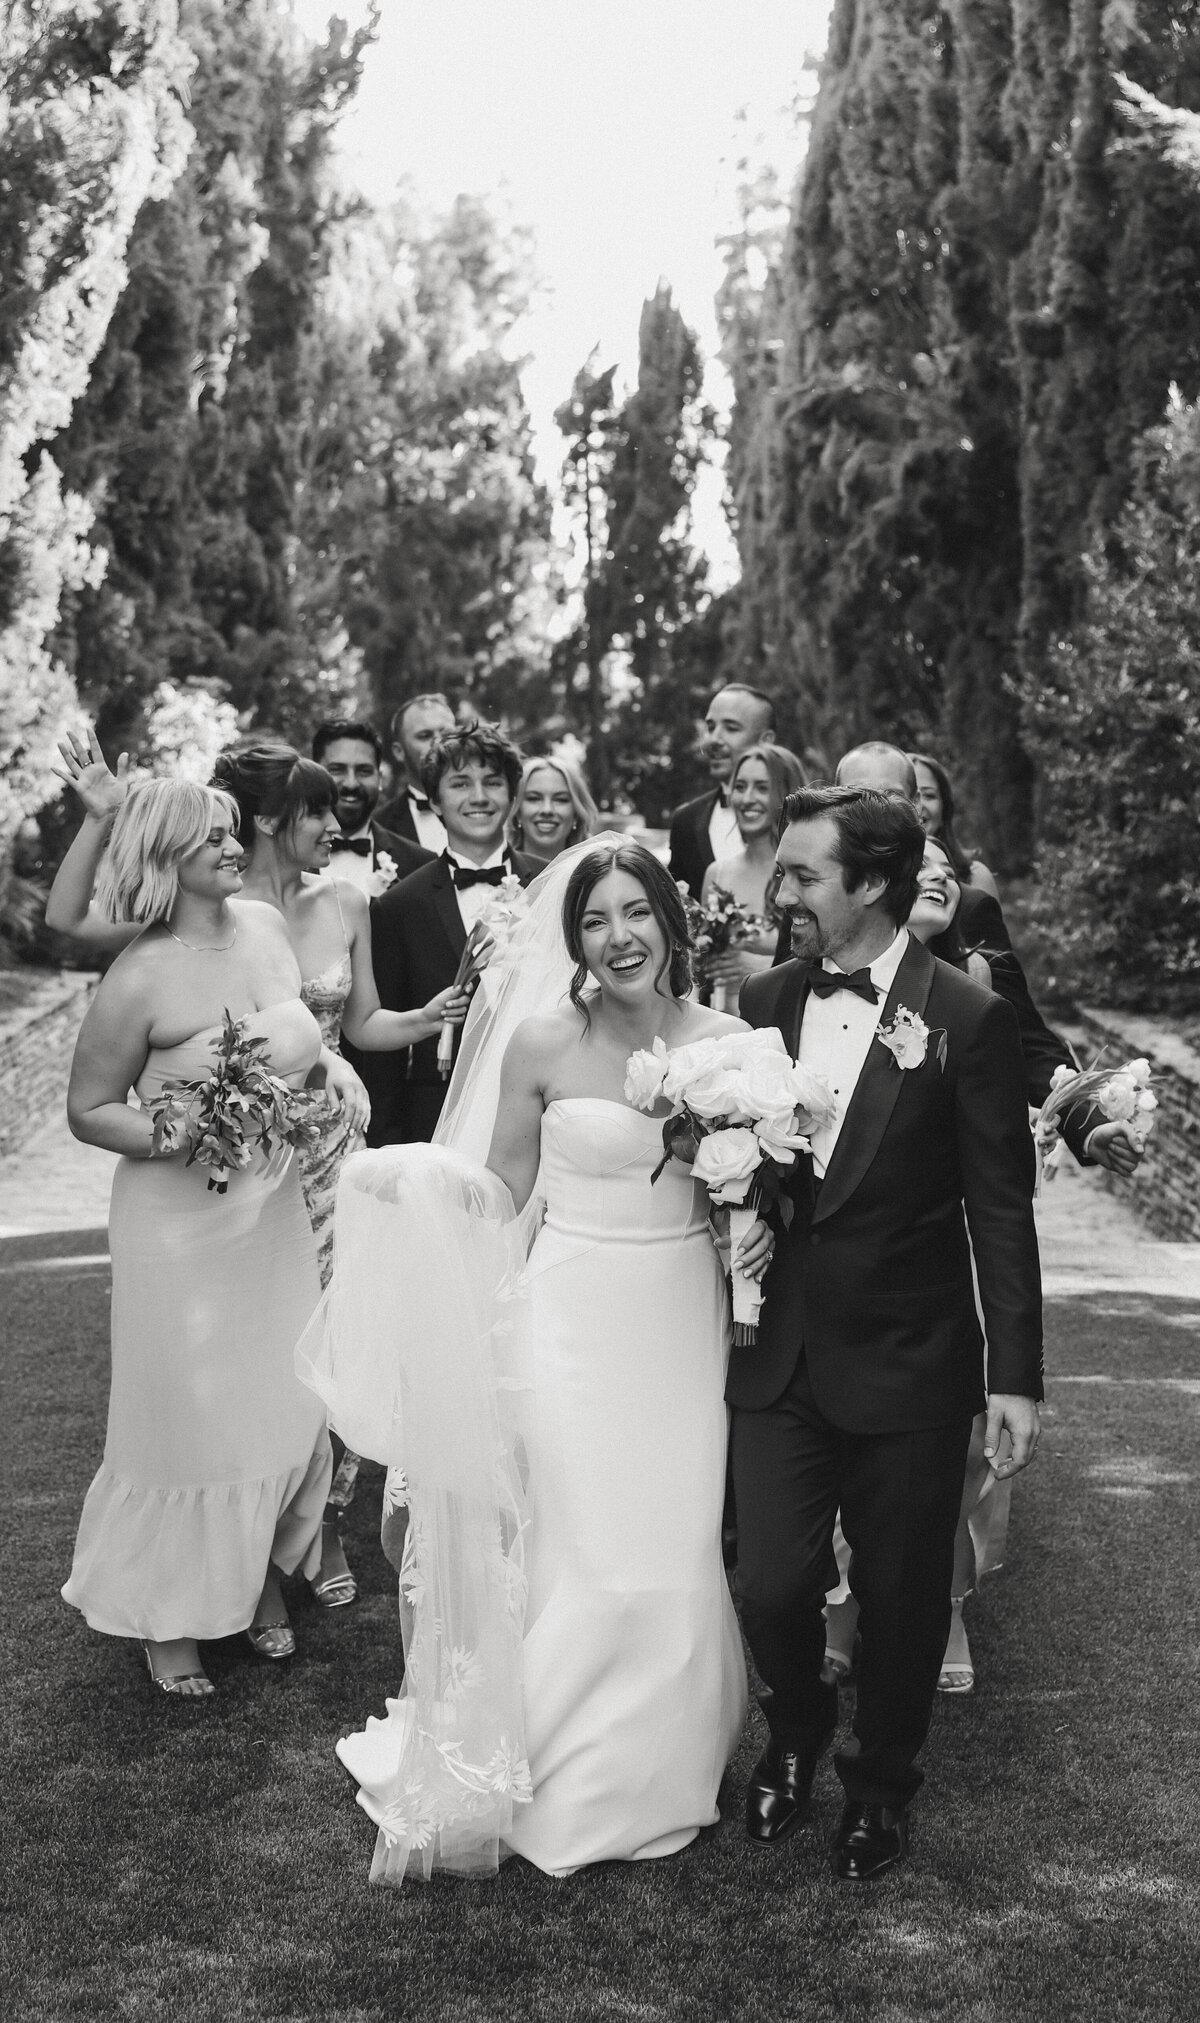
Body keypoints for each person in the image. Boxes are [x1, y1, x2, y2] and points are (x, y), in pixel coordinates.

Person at [309, 838, 754, 1881]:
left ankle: (661, 1767)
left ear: (672, 924)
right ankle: (551, 1766)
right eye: (595, 920)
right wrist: (419, 1183)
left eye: (635, 912)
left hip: (683, 1314)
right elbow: (505, 1187)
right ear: (575, 941)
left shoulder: (734, 1041)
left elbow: (755, 1190)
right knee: (585, 1543)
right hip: (571, 1313)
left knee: (677, 1539)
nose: (618, 938)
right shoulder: (545, 1041)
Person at [731, 785, 1043, 1882]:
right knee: (768, 1580)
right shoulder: (762, 999)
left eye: (804, 874)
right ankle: (799, 1726)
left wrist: (1017, 1376)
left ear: (869, 885)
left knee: (906, 1596)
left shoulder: (965, 1017)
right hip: (774, 1354)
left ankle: (880, 1784)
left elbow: (1000, 1207)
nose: (784, 892)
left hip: (913, 1359)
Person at [60, 779, 367, 1696]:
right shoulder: (141, 973)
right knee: (187, 1419)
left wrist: (332, 1073)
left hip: (266, 1209)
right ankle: (169, 1620)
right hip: (177, 1224)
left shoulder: (267, 930)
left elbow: (299, 1040)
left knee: (285, 1397)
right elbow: (87, 1109)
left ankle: (259, 1579)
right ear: (168, 857)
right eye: (214, 839)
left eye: (235, 832)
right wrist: (175, 1131)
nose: (237, 848)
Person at [819, 835, 1144, 1696]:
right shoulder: (817, 956)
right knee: (851, 1420)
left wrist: (1085, 1121)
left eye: (946, 863)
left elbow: (1035, 1057)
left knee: (956, 1429)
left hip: (958, 1228)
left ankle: (949, 1598)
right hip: (857, 1240)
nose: (934, 874)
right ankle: (843, 1597)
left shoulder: (981, 974)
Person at [366, 719, 540, 1145]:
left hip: (537, 1115)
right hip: (435, 1120)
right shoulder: (398, 905)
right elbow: (385, 1054)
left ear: (512, 797)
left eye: (493, 783)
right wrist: (388, 1143)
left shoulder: (550, 885)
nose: (479, 797)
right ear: (436, 801)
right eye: (460, 784)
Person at [699, 744, 807, 1004]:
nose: (747, 799)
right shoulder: (717, 874)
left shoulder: (805, 874)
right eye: (740, 787)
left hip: (782, 1019)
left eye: (761, 787)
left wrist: (761, 967)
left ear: (786, 794)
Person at [667, 684, 776, 899]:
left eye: (731, 728)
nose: (713, 740)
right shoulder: (685, 822)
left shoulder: (799, 816)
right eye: (710, 727)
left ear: (766, 741)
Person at [310, 719, 432, 896]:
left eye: (364, 771)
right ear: (314, 774)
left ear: (380, 779)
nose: (351, 784)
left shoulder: (420, 864)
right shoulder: (285, 858)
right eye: (337, 769)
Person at [910, 752, 1001, 900]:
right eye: (909, 795)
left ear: (944, 810)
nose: (919, 806)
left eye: (929, 795)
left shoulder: (975, 877)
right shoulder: (872, 877)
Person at [376, 693, 457, 846]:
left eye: (447, 734)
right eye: (425, 736)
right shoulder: (380, 826)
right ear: (399, 751)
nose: (439, 743)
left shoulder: (491, 807)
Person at [509, 754, 599, 865]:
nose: (547, 810)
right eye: (534, 798)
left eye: (560, 800)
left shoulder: (598, 875)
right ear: (517, 811)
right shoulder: (495, 870)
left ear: (576, 813)